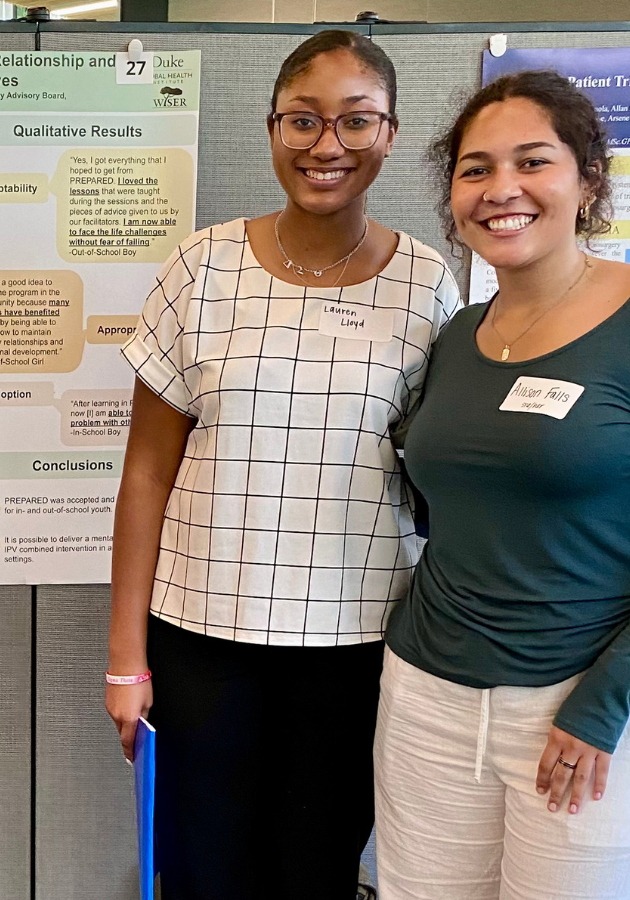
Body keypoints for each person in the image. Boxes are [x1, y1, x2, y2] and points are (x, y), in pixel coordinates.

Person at [373, 70, 630, 900]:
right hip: (431, 700)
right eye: (475, 169)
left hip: (595, 707)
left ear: (588, 180)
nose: (501, 190)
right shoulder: (456, 338)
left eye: (533, 162)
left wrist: (606, 696)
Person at [105, 30, 461, 900]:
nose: (326, 145)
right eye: (303, 120)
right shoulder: (201, 267)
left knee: (318, 869)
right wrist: (124, 658)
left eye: (355, 122)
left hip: (360, 640)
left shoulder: (429, 282)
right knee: (202, 869)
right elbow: (147, 472)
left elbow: (443, 477)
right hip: (202, 635)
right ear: (272, 128)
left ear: (389, 133)